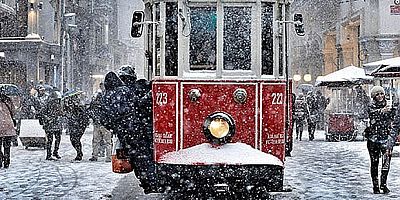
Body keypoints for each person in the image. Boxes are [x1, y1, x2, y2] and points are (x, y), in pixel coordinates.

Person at [99, 65, 157, 194]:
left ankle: (146, 182)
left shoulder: (106, 96)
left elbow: (104, 119)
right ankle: (151, 181)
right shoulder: (125, 91)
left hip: (124, 133)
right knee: (144, 155)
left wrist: (116, 126)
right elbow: (137, 104)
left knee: (135, 157)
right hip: (136, 128)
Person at [366, 86, 395, 194]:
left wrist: (392, 110)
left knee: (386, 163)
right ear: (374, 96)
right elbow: (372, 115)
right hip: (373, 139)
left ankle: (383, 184)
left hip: (386, 139)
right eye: (377, 94)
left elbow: (394, 118)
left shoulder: (389, 105)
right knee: (374, 163)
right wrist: (382, 111)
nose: (380, 96)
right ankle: (375, 185)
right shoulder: (371, 106)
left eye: (381, 94)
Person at [88, 83, 112, 162]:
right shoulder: (107, 102)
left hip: (97, 124)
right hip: (105, 125)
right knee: (108, 142)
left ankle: (95, 156)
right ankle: (108, 157)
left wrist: (94, 119)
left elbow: (90, 111)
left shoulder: (95, 104)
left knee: (96, 141)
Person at [64, 90, 90, 161]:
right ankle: (79, 152)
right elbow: (67, 112)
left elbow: (83, 114)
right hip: (73, 124)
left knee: (76, 139)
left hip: (80, 124)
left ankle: (79, 154)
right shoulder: (70, 104)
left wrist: (76, 107)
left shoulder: (80, 104)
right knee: (72, 140)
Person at [39, 90, 63, 160]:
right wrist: (48, 118)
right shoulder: (48, 105)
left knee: (57, 139)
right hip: (50, 125)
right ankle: (49, 154)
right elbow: (41, 113)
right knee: (50, 140)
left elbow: (61, 113)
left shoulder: (59, 105)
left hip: (57, 124)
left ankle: (55, 152)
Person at [0, 89, 17, 168]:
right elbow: (13, 112)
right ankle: (7, 160)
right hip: (8, 125)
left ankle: (0, 160)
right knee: (7, 145)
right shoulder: (8, 100)